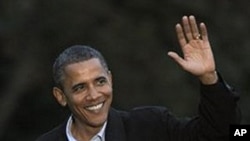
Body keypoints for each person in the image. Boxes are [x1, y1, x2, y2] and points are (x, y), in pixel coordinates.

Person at [36, 15, 240, 141]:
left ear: (110, 80)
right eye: (80, 88)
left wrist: (209, 78)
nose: (94, 95)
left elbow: (221, 134)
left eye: (100, 82)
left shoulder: (150, 126)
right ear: (61, 96)